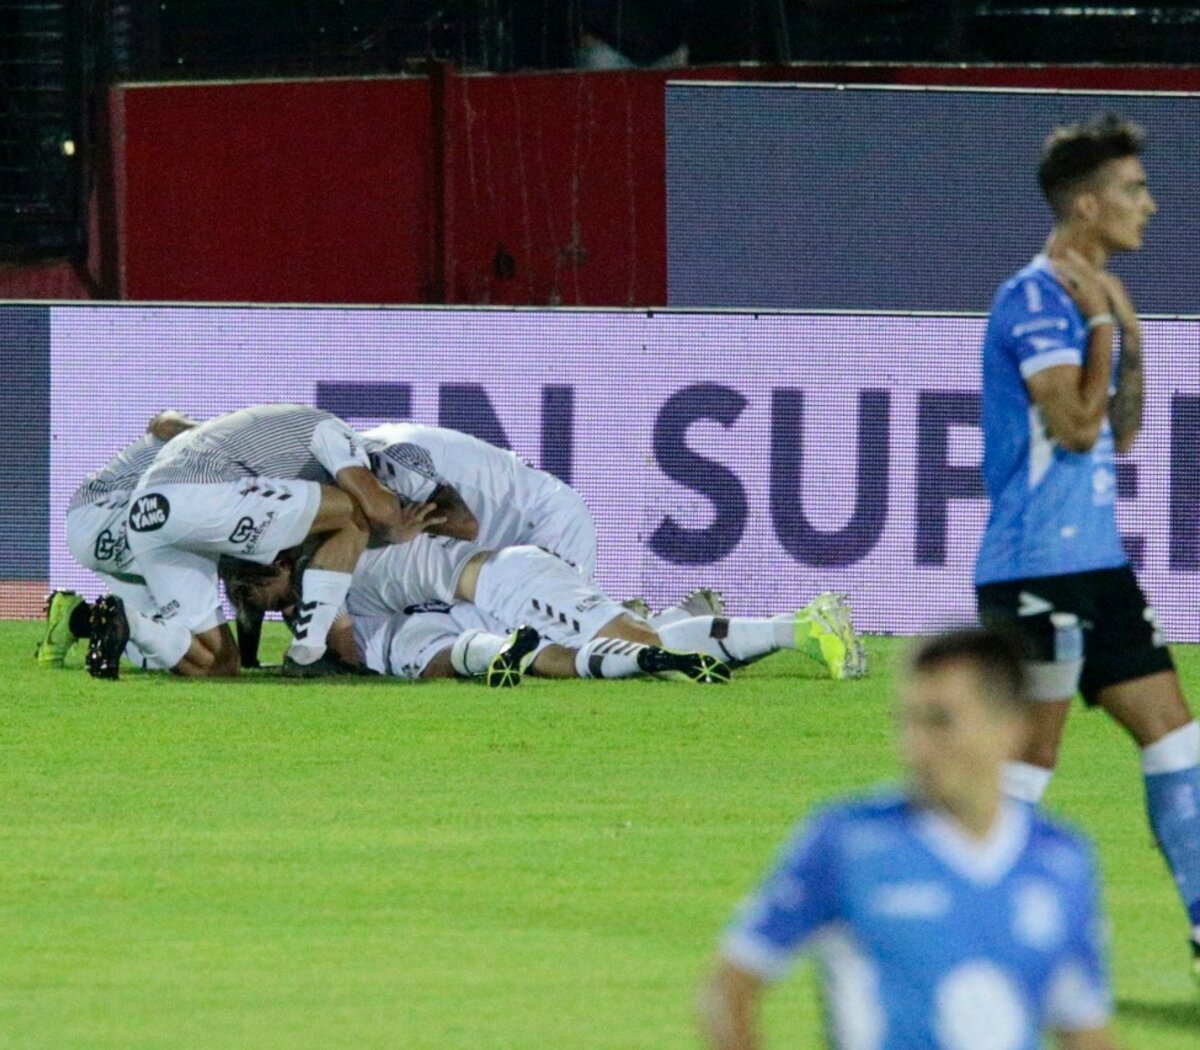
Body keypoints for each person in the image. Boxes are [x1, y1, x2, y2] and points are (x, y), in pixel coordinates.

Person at [973, 113, 1200, 976]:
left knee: (1175, 735)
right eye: (1134, 189)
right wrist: (1105, 327)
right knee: (1030, 762)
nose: (1150, 203)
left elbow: (1124, 432)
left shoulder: (1094, 298)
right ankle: (974, 925)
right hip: (1036, 567)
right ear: (1085, 202)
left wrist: (1129, 335)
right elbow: (1072, 426)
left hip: (1095, 566)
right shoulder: (1033, 297)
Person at [699, 627, 1118, 1050]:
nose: (916, 745)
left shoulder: (1060, 859)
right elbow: (728, 990)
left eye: (940, 721)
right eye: (908, 721)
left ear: (1010, 728)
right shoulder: (849, 841)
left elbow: (1083, 1028)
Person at [90, 404, 440, 680]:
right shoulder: (336, 432)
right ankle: (309, 655)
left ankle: (129, 621)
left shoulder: (275, 460)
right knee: (355, 513)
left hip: (145, 513)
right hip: (198, 495)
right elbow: (378, 510)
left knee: (219, 664)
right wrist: (398, 528)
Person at [35, 410, 198, 671]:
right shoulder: (205, 446)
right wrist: (203, 431)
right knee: (193, 640)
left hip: (103, 523)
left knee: (160, 656)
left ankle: (74, 617)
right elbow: (163, 422)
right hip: (104, 515)